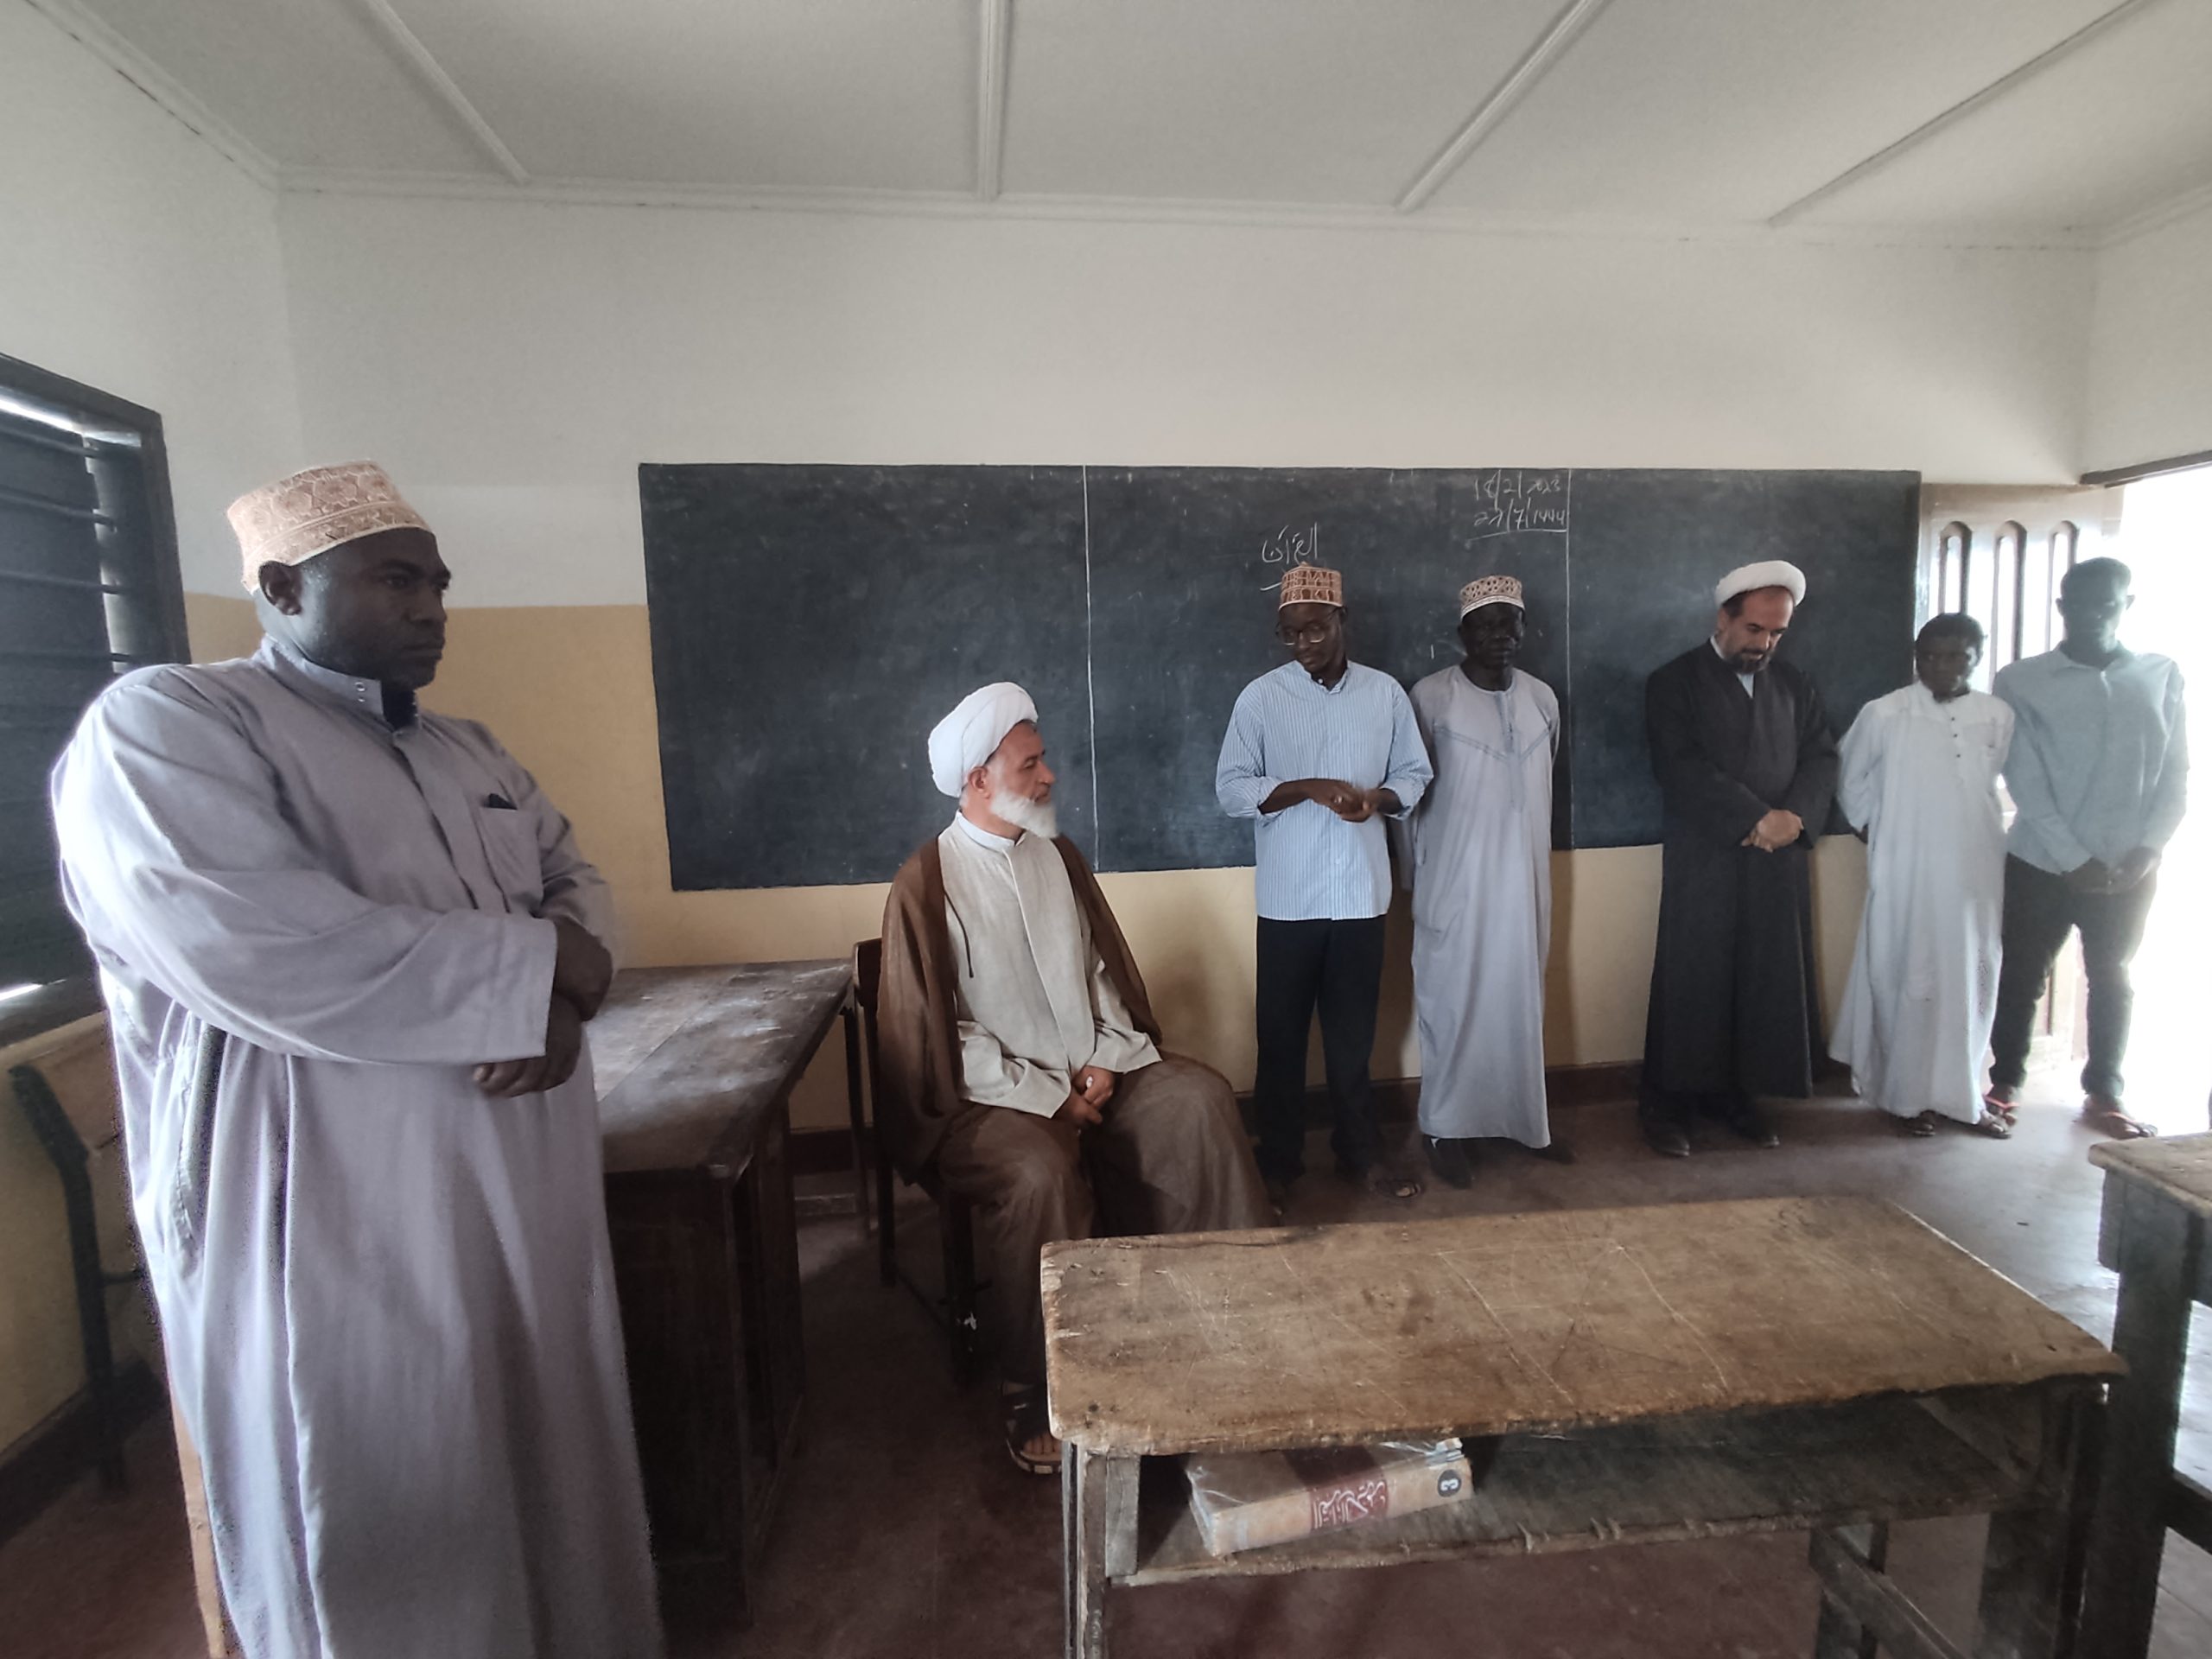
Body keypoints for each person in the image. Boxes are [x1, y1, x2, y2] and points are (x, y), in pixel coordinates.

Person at [48, 463, 660, 1659]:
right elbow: (258, 942)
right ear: (282, 588)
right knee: (377, 1451)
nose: (432, 608)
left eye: (438, 583)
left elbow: (576, 885)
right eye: (395, 580)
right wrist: (534, 977)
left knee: (542, 1437)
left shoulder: (470, 751)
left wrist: (563, 989)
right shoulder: (172, 725)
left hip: (517, 1167)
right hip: (331, 1197)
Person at [876, 683, 1271, 1476]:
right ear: (979, 779)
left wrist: (1103, 1060)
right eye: (1030, 764)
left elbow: (1099, 975)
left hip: (1095, 1070)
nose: (1049, 775)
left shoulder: (1056, 856)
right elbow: (940, 1039)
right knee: (1038, 1174)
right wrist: (1047, 1094)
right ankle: (1039, 1381)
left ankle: (1227, 1309)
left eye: (1042, 759)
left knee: (1198, 1100)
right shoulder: (926, 883)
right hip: (993, 1101)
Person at [1216, 564, 1433, 1205]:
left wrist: (1379, 799)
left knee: (1352, 1042)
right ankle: (1279, 1163)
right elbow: (1231, 788)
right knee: (1281, 1041)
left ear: (1342, 620)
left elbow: (1415, 773)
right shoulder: (1261, 698)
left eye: (1314, 629)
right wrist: (1305, 787)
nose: (1303, 643)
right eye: (1290, 633)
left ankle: (1358, 1155)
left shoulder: (1384, 695)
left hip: (1361, 896)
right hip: (1290, 901)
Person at [1639, 559, 1839, 1157]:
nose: (1765, 644)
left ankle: (1738, 1097)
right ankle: (1669, 1105)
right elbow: (1680, 766)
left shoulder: (1795, 685)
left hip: (1777, 858)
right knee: (1694, 976)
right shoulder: (1674, 682)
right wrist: (1755, 818)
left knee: (1763, 977)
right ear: (1723, 619)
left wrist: (1794, 817)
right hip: (1706, 855)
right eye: (1754, 629)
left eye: (1777, 633)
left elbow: (1821, 758)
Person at [1986, 557, 2187, 1140]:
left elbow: (2176, 770)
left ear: (2127, 605)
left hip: (2129, 865)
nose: (2092, 614)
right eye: (2079, 603)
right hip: (2042, 860)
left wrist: (2150, 847)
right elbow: (2024, 776)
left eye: (2107, 603)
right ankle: (2005, 1083)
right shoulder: (2021, 680)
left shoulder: (2160, 674)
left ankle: (2105, 1091)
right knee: (2023, 973)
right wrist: (2072, 857)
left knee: (2113, 975)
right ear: (2061, 607)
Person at [1405, 575, 1565, 1188]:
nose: (1500, 636)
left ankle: (1524, 1123)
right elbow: (1407, 801)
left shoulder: (1542, 699)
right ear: (1462, 633)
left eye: (1510, 623)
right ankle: (1444, 1128)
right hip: (1454, 883)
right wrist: (1415, 882)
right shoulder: (1430, 698)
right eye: (1486, 624)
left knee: (1518, 999)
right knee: (1453, 1001)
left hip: (1524, 886)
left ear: (1524, 629)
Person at [1832, 614, 2015, 1138]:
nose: (1941, 667)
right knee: (1906, 970)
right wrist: (1875, 827)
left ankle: (1964, 1097)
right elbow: (1849, 777)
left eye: (1956, 656)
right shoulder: (1886, 713)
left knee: (1971, 971)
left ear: (1977, 657)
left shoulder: (1997, 715)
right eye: (1929, 656)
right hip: (1907, 865)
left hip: (1975, 865)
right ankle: (1906, 1098)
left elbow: (1990, 781)